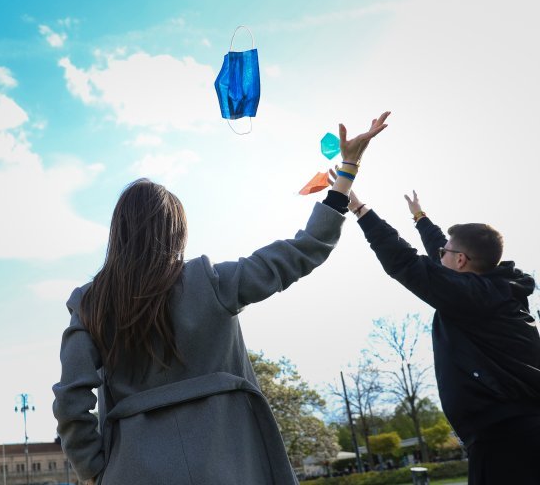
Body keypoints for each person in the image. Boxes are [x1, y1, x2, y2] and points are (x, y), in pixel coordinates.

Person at [52, 113, 390, 485]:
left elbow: (71, 398)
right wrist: (348, 170)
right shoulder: (211, 281)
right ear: (176, 231)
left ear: (118, 231)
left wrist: (94, 470)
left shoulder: (90, 303)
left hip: (131, 470)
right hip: (232, 463)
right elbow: (304, 250)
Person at [346, 188, 540, 485]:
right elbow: (441, 253)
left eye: (445, 254)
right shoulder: (495, 290)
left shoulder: (472, 297)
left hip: (505, 438)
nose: (439, 255)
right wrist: (420, 218)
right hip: (513, 430)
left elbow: (406, 263)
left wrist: (360, 210)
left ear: (461, 260)